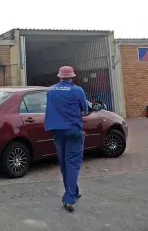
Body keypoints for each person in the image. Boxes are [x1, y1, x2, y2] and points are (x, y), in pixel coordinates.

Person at [45, 66, 88, 212]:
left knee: (64, 162)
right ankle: (69, 198)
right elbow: (85, 109)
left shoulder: (50, 91)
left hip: (57, 130)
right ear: (72, 77)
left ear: (59, 76)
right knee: (73, 163)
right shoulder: (77, 90)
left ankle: (73, 191)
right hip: (73, 130)